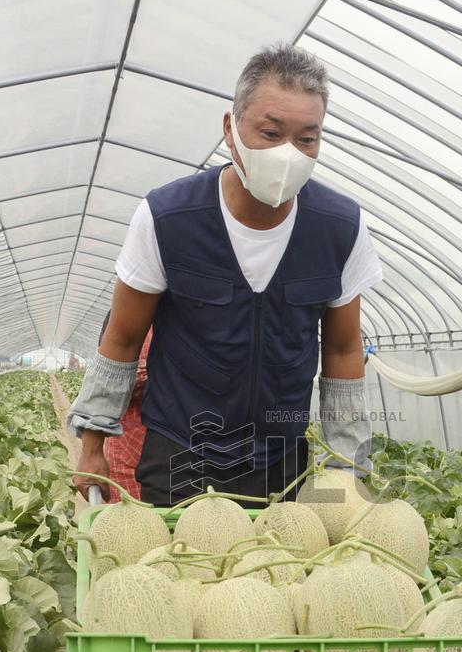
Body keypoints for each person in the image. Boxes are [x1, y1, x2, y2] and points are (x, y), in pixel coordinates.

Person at [69, 42, 382, 506]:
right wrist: (92, 443)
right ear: (230, 129)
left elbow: (341, 349)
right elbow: (122, 339)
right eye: (271, 133)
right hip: (180, 453)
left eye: (307, 139)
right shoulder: (167, 218)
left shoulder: (341, 228)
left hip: (282, 457)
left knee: (278, 577)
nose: (288, 154)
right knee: (176, 574)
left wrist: (348, 462)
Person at [97, 311, 152, 503]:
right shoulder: (123, 315)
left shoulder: (187, 316)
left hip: (174, 446)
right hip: (128, 444)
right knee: (129, 519)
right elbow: (108, 374)